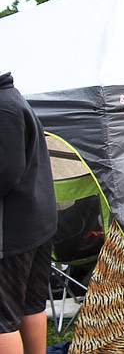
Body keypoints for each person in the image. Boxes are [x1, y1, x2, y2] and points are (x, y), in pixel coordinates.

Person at [0, 71, 58, 354]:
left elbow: (4, 174)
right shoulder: (13, 99)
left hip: (9, 235)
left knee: (2, 320)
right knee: (29, 306)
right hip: (35, 225)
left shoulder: (2, 107)